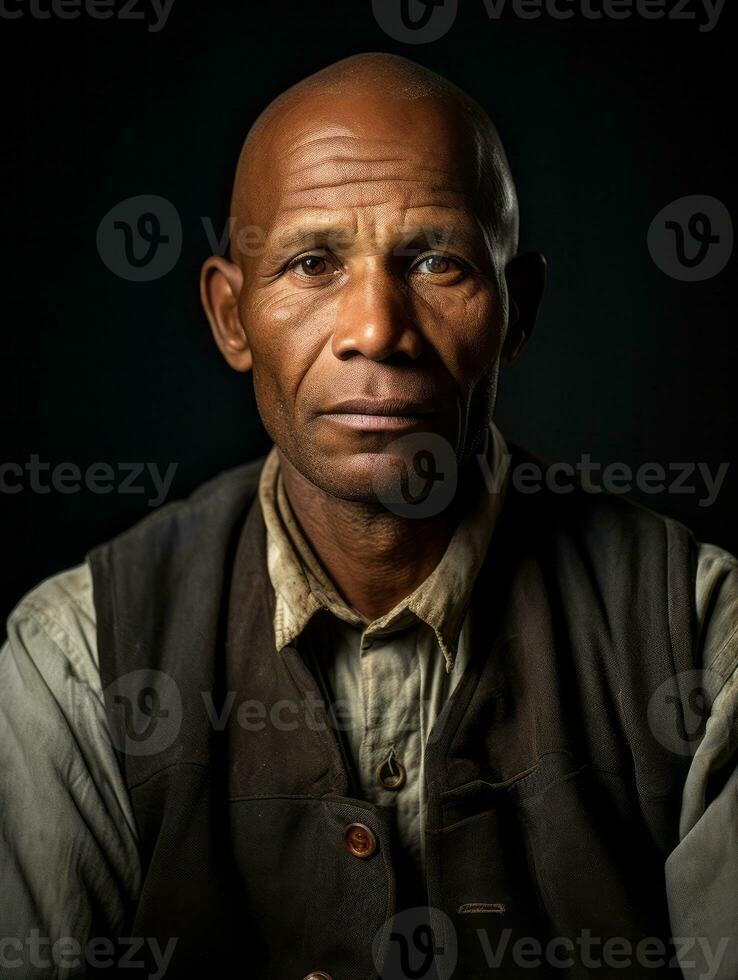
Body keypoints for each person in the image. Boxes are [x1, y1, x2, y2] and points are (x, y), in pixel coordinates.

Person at [1, 53, 736, 980]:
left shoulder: (702, 640)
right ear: (232, 317)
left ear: (519, 309)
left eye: (436, 261)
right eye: (313, 263)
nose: (377, 328)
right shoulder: (77, 656)